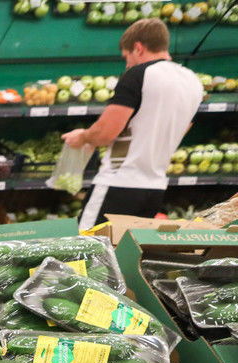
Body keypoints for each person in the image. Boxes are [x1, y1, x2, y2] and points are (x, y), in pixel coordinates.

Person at [65, 19, 204, 230]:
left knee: (87, 252)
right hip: (155, 188)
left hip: (119, 184)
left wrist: (82, 137)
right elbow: (182, 129)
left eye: (126, 57)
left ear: (138, 48)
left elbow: (105, 133)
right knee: (125, 256)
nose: (127, 64)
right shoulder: (193, 81)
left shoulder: (138, 75)